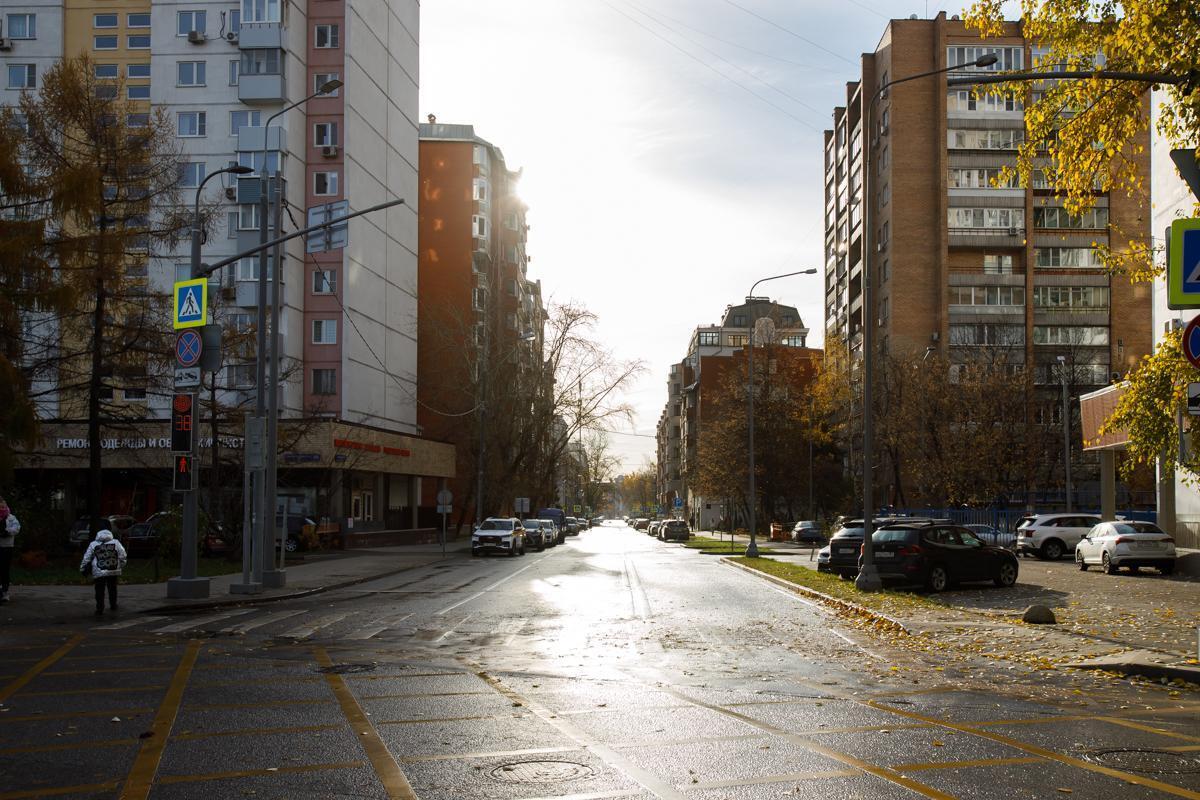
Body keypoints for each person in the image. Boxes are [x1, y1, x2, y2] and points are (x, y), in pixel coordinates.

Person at [80, 529, 127, 616]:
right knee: (112, 588)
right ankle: (113, 605)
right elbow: (122, 554)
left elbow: (87, 557)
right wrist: (121, 565)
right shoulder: (116, 543)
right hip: (113, 570)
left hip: (99, 571)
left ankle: (99, 609)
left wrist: (83, 568)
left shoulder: (93, 544)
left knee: (99, 590)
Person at [0, 497, 18, 603]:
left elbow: (17, 528)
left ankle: (5, 592)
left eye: (3, 506)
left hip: (7, 546)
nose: (2, 508)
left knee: (5, 570)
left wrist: (8, 531)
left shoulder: (11, 518)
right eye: (0, 507)